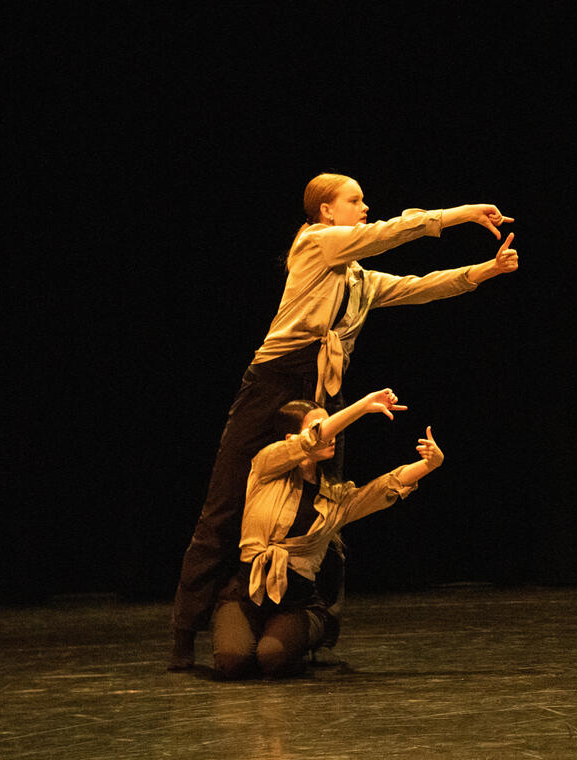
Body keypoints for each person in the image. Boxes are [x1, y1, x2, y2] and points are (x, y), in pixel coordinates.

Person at [170, 172, 518, 669]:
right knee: (226, 503)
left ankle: (310, 614)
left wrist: (487, 270)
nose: (364, 206)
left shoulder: (358, 279)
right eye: (353, 200)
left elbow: (419, 288)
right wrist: (461, 213)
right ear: (326, 211)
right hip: (274, 382)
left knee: (326, 502)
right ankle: (186, 630)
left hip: (321, 395)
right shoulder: (315, 243)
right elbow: (389, 233)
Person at [211, 387, 442, 679]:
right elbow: (314, 439)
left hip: (296, 604)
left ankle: (312, 631)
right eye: (319, 426)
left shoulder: (334, 496)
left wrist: (429, 465)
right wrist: (361, 407)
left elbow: (381, 489)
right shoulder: (266, 466)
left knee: (273, 659)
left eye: (329, 424)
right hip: (246, 595)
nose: (330, 432)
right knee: (232, 663)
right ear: (290, 439)